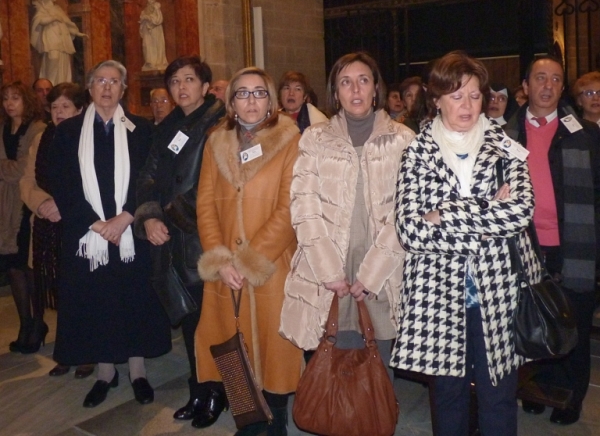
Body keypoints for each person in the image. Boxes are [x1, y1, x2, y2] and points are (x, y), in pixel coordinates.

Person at [392, 51, 541, 436]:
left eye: (475, 95)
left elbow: (520, 213)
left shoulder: (505, 146)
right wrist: (488, 210)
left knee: (499, 396)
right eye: (456, 95)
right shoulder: (417, 153)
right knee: (448, 398)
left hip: (500, 291)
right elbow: (410, 230)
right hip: (439, 292)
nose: (468, 105)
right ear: (436, 98)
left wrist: (444, 213)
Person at [280, 52, 414, 384]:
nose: (355, 89)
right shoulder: (315, 138)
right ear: (335, 92)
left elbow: (406, 214)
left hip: (382, 274)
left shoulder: (402, 140)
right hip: (330, 274)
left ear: (375, 89)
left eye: (363, 80)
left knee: (378, 366)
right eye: (345, 82)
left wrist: (371, 275)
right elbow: (304, 205)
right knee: (336, 367)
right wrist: (329, 271)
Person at [48, 60, 171, 408]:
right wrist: (96, 223)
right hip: (87, 235)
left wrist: (126, 218)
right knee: (96, 302)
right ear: (89, 87)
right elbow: (63, 181)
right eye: (100, 80)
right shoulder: (68, 131)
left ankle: (137, 371)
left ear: (123, 89)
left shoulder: (142, 129)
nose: (107, 87)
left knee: (133, 300)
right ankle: (105, 372)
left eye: (114, 81)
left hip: (130, 234)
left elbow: (150, 179)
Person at [195, 67, 302, 436]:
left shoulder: (290, 139)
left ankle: (276, 420)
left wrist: (249, 260)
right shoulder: (215, 141)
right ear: (231, 102)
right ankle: (248, 419)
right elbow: (205, 205)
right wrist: (221, 260)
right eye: (243, 93)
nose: (251, 100)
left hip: (270, 264)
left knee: (274, 351)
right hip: (226, 268)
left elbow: (291, 207)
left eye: (259, 93)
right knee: (231, 343)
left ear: (271, 101)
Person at [505, 56, 600, 425]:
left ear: (562, 88)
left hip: (574, 247)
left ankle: (571, 396)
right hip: (524, 246)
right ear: (525, 86)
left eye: (556, 79)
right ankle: (538, 388)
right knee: (531, 322)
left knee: (571, 322)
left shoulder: (586, 134)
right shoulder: (504, 134)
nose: (547, 85)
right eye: (540, 78)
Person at [135, 56, 225, 426]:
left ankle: (222, 392)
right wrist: (149, 217)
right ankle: (199, 388)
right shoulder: (168, 127)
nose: (181, 87)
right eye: (175, 81)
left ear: (205, 86)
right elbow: (148, 177)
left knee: (215, 323)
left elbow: (215, 185)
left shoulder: (219, 124)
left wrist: (166, 216)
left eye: (190, 79)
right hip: (174, 239)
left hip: (205, 238)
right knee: (190, 321)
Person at [19, 82, 94, 378]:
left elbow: (92, 183)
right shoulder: (42, 138)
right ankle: (66, 351)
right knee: (60, 292)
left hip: (79, 223)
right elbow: (27, 181)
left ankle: (88, 351)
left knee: (83, 291)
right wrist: (43, 204)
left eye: (66, 106)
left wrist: (63, 205)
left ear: (80, 109)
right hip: (47, 224)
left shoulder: (88, 137)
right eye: (54, 107)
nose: (59, 112)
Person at [1, 82, 46, 353]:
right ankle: (24, 323)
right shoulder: (3, 129)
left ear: (26, 100)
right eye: (5, 98)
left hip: (26, 206)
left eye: (15, 98)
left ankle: (38, 323)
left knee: (30, 268)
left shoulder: (38, 130)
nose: (9, 103)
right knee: (13, 267)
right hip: (5, 207)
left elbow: (22, 171)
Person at [30, 0, 86, 85]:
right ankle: (49, 84)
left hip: (62, 39)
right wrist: (53, 18)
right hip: (51, 36)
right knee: (53, 58)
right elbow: (39, 20)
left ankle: (61, 84)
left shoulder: (57, 9)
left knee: (63, 61)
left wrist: (77, 33)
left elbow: (67, 23)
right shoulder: (43, 8)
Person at [139, 0, 168, 71]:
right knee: (146, 45)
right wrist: (144, 19)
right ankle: (149, 62)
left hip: (156, 31)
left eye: (152, 0)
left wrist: (149, 18)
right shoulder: (144, 11)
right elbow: (141, 21)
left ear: (154, 1)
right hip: (147, 32)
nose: (150, 1)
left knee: (157, 46)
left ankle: (158, 62)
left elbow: (158, 20)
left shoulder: (157, 9)